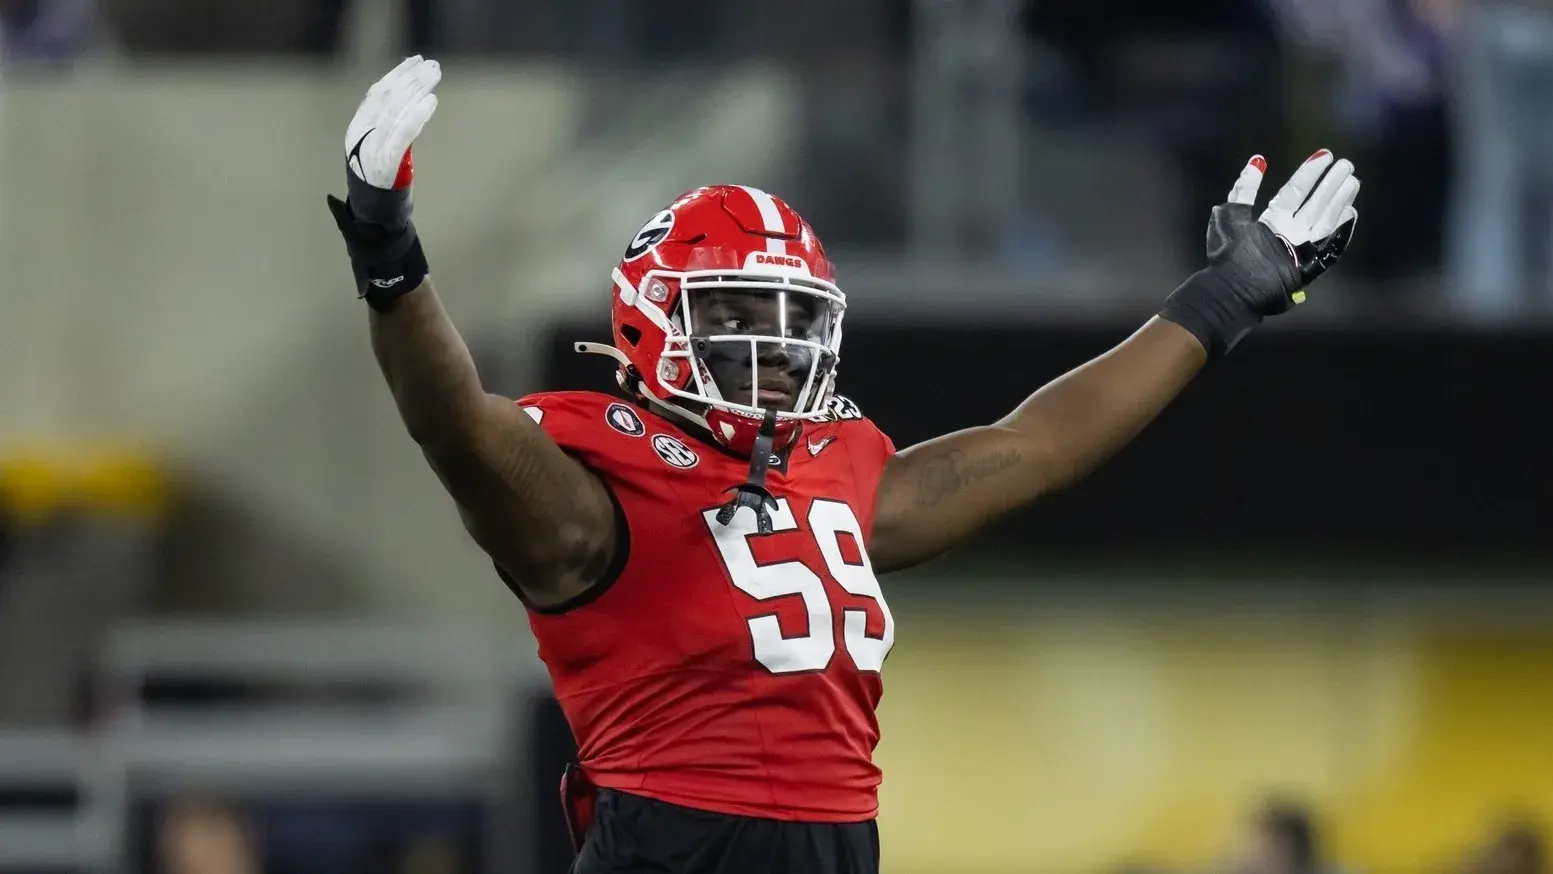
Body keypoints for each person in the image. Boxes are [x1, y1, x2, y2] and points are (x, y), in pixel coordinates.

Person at [325, 57, 1360, 874]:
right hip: (675, 845)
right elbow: (454, 423)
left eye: (790, 321)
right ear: (649, 324)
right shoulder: (596, 480)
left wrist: (1222, 300)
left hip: (835, 846)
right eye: (732, 316)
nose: (770, 348)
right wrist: (388, 250)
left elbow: (1036, 446)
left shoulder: (834, 464)